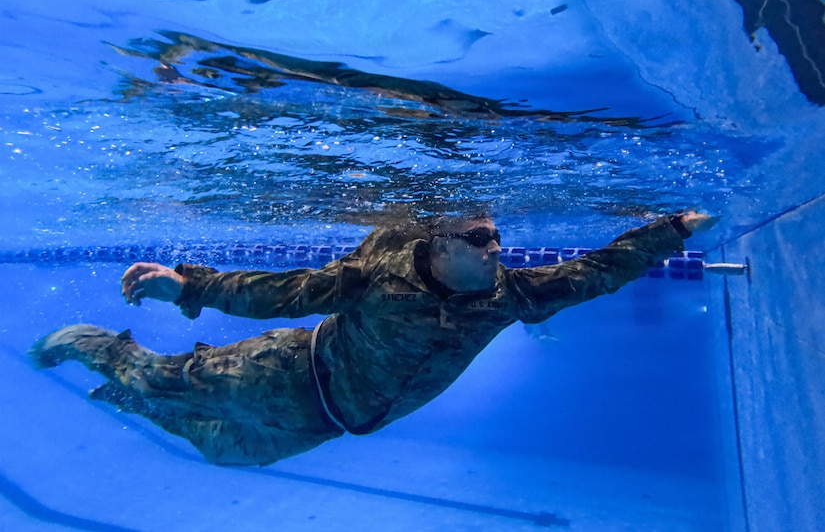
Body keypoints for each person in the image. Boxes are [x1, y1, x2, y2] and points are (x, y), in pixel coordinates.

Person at [29, 212, 714, 466]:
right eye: (479, 237)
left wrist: (669, 232)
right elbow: (277, 292)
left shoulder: (510, 296)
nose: (497, 246)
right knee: (151, 377)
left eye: (498, 234)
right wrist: (189, 289)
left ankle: (130, 401)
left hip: (334, 422)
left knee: (227, 455)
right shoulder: (375, 277)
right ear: (438, 243)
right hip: (285, 373)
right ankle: (89, 343)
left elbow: (595, 272)